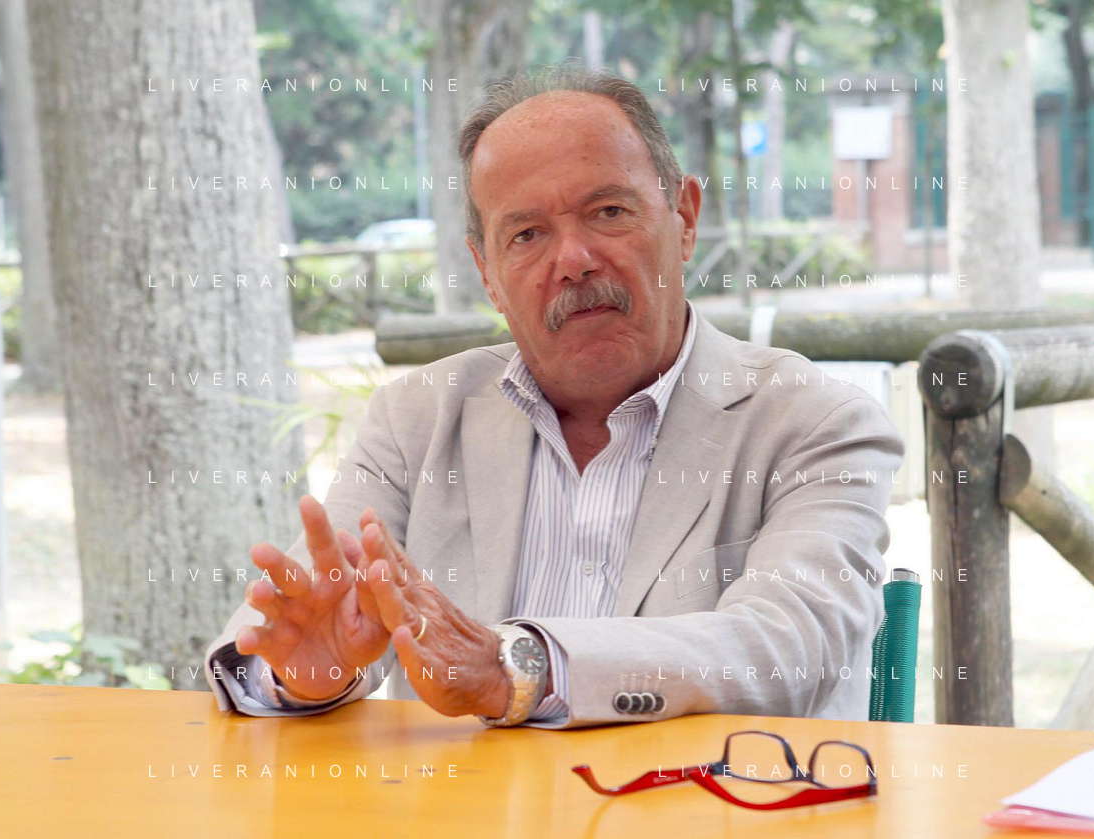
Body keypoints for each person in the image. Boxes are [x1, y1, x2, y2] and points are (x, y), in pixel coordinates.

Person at [204, 65, 905, 729]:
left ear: (685, 218)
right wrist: (308, 673)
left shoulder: (816, 422)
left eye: (608, 211)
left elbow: (785, 649)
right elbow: (287, 633)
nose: (572, 260)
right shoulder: (416, 420)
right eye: (527, 234)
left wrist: (516, 668)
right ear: (487, 272)